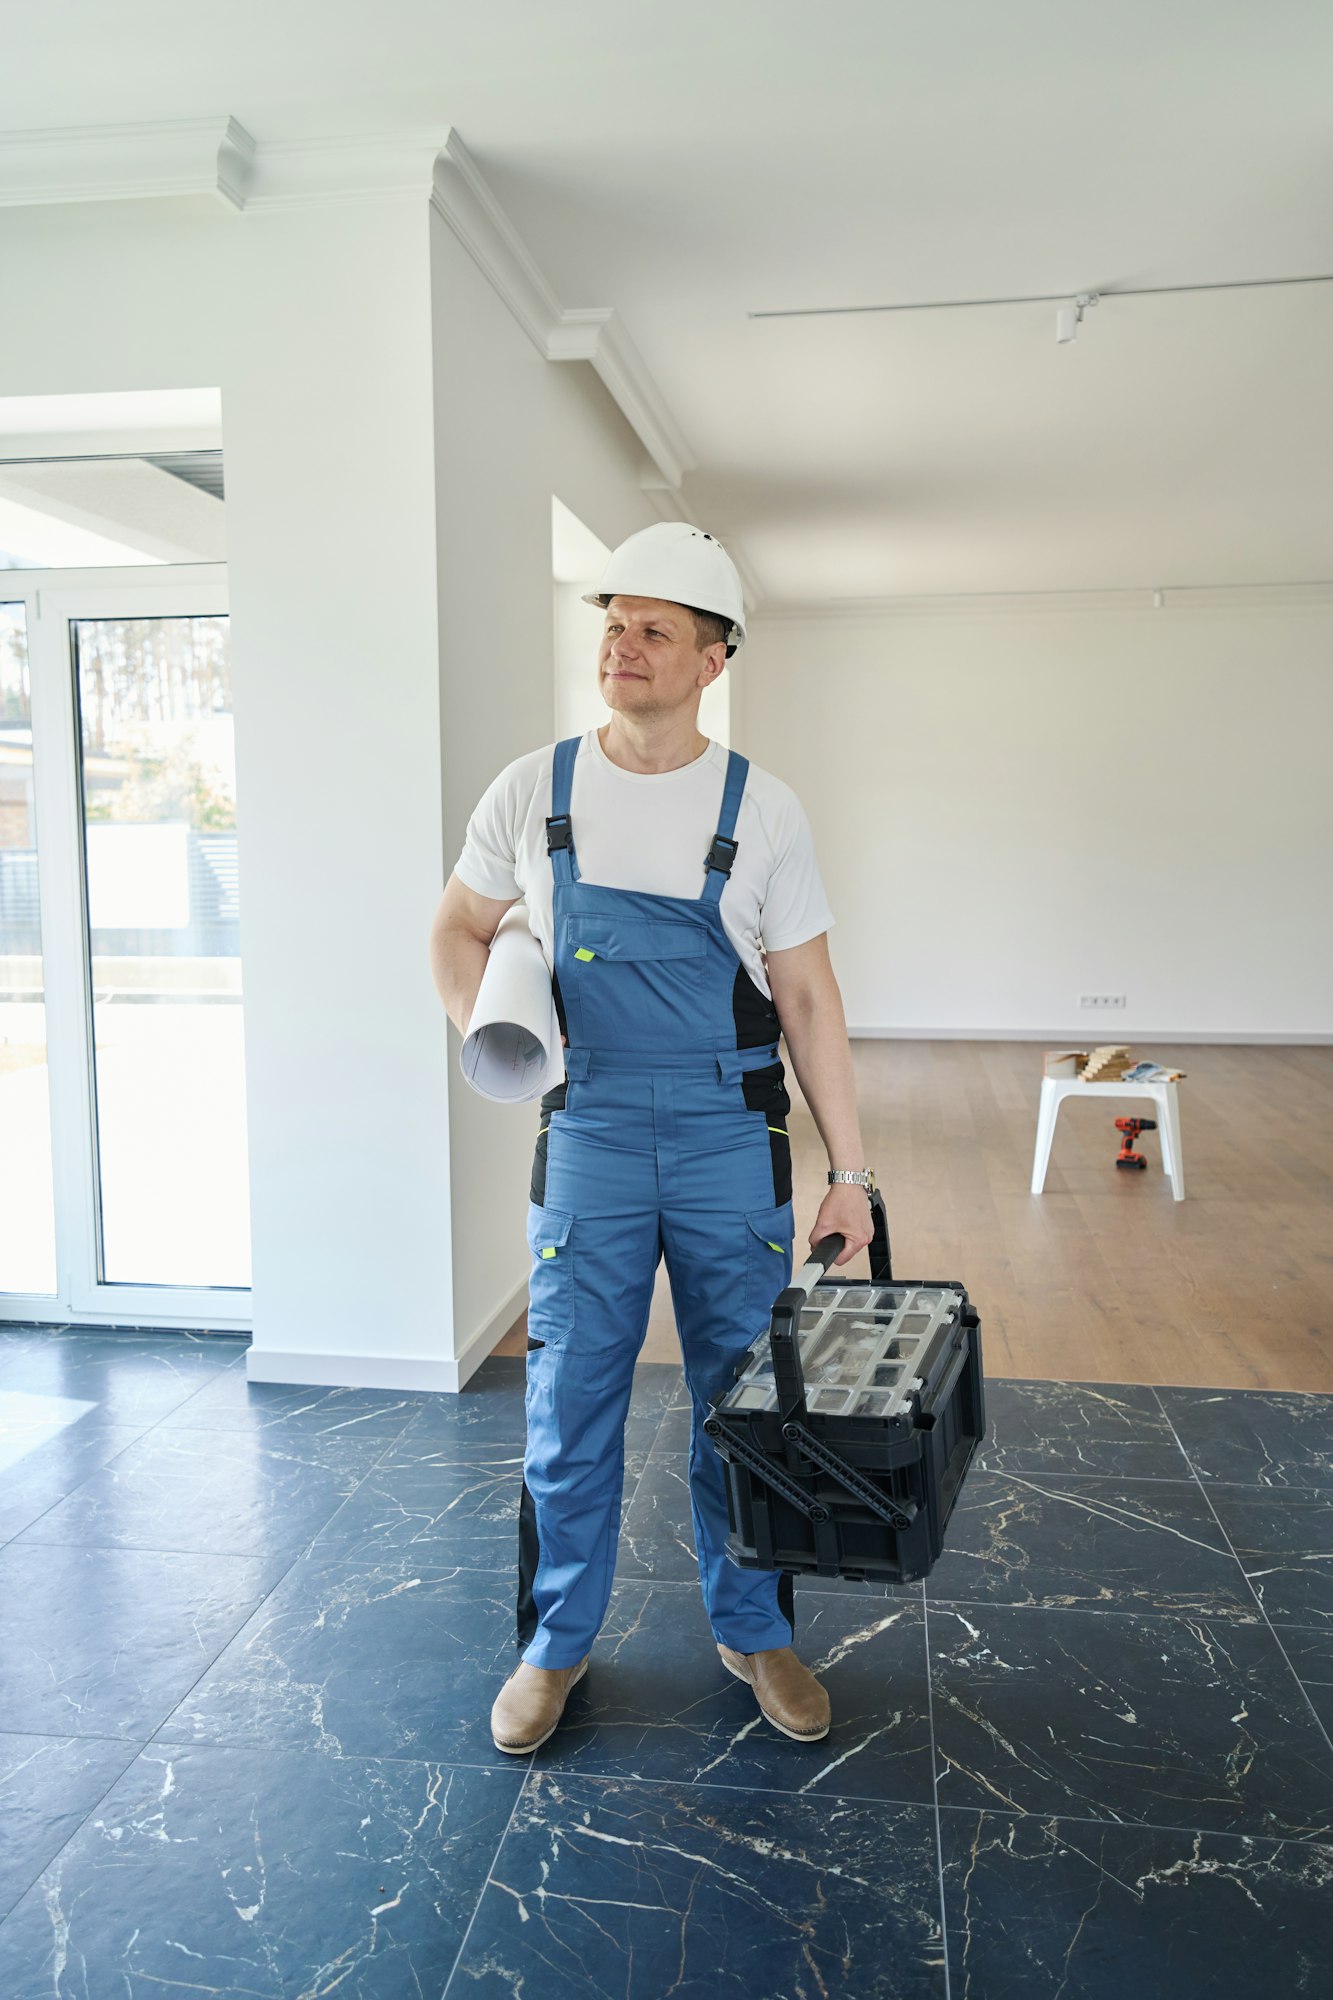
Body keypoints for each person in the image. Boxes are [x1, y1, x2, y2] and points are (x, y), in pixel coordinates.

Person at [428, 521, 875, 1755]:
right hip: (592, 1133)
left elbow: (808, 1000)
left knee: (747, 1400)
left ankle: (754, 1627)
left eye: (654, 628)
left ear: (712, 658)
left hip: (733, 1134)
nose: (622, 643)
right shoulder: (535, 787)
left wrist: (850, 1173)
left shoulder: (761, 809)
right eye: (614, 622)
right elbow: (456, 929)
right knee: (568, 1403)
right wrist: (496, 1034)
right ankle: (552, 1645)